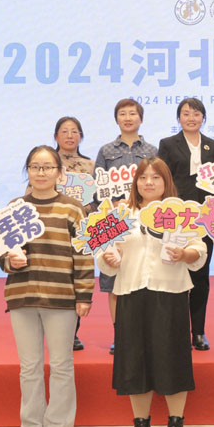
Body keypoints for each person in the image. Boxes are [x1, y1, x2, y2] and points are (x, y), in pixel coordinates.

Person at [98, 157, 207, 427]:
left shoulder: (180, 212)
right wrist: (109, 258)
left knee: (172, 357)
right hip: (131, 291)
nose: (148, 182)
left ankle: (175, 423)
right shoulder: (120, 214)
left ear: (166, 182)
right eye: (143, 177)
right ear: (135, 183)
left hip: (169, 292)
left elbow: (199, 250)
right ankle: (141, 426)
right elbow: (105, 256)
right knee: (133, 360)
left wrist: (184, 254)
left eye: (155, 177)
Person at [0, 145, 94, 427]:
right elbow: (1, 253)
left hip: (61, 297)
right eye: (35, 167)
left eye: (48, 167)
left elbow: (83, 254)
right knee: (29, 368)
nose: (41, 173)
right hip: (22, 296)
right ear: (27, 171)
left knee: (62, 365)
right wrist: (10, 261)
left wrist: (84, 295)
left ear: (59, 173)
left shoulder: (73, 208)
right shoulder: (14, 208)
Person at [94, 98, 157, 354]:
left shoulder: (151, 150)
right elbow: (97, 189)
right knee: (114, 279)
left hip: (144, 220)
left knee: (144, 276)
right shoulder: (106, 151)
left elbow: (159, 184)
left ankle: (145, 334)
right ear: (116, 119)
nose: (128, 118)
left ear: (141, 118)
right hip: (115, 220)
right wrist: (113, 203)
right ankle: (119, 334)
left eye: (133, 113)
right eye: (123, 114)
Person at [158, 98, 214, 351]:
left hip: (204, 218)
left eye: (196, 114)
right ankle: (175, 330)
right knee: (173, 273)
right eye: (186, 114)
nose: (191, 118)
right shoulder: (167, 144)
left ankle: (199, 331)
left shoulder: (213, 146)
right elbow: (162, 177)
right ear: (179, 118)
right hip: (176, 217)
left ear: (203, 118)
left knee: (200, 275)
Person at [53, 116, 95, 351]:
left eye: (74, 131)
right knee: (55, 279)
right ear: (56, 136)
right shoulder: (46, 161)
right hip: (52, 228)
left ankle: (72, 332)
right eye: (64, 131)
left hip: (80, 230)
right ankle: (54, 330)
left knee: (77, 279)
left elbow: (99, 200)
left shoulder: (90, 166)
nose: (69, 135)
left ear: (81, 136)